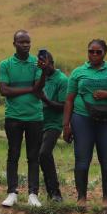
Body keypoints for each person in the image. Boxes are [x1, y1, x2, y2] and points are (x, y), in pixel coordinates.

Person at [62, 39, 107, 207]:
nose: (94, 55)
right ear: (87, 52)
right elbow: (69, 100)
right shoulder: (78, 72)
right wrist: (66, 125)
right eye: (91, 51)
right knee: (82, 158)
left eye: (99, 52)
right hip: (82, 118)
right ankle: (81, 198)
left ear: (105, 53)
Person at [0, 30, 47, 207]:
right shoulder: (5, 65)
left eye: (28, 42)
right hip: (13, 117)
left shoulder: (36, 63)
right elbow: (4, 91)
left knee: (33, 156)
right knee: (13, 154)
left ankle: (33, 194)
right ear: (14, 44)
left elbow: (39, 88)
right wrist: (30, 89)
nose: (25, 45)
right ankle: (12, 192)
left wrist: (43, 72)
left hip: (34, 116)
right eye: (21, 42)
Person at [37, 49, 67, 202]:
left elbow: (63, 106)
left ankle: (55, 192)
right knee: (40, 157)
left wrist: (46, 100)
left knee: (44, 153)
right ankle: (49, 193)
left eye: (45, 64)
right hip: (38, 122)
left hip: (54, 123)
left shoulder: (61, 79)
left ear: (52, 63)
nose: (43, 67)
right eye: (40, 64)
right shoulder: (40, 77)